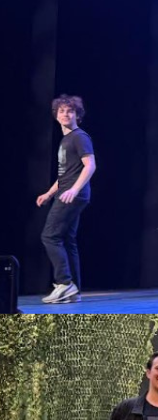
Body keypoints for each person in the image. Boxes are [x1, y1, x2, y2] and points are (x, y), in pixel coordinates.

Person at [36, 94, 96, 304]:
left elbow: (90, 166)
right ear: (56, 115)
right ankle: (74, 289)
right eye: (61, 111)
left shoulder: (79, 137)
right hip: (69, 192)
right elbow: (65, 175)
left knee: (50, 236)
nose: (65, 114)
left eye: (70, 111)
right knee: (67, 241)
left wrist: (73, 190)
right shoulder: (66, 139)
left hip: (73, 194)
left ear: (77, 115)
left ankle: (64, 283)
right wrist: (49, 193)